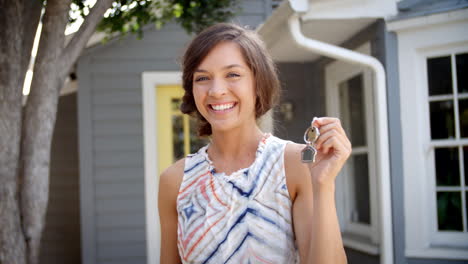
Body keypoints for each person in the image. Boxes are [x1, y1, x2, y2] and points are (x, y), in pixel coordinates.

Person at [158, 23, 350, 264]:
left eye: (233, 75)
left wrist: (323, 185)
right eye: (203, 78)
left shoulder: (296, 165)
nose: (216, 91)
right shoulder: (174, 181)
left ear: (258, 83)